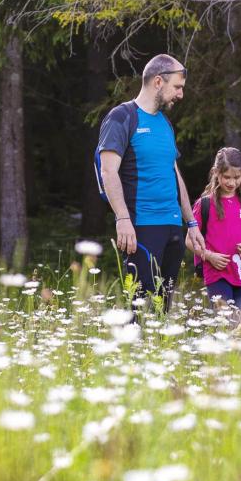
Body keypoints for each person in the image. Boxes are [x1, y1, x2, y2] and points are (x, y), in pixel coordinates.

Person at [94, 54, 206, 307]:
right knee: (139, 305)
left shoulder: (165, 123)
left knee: (163, 306)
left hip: (173, 226)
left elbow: (175, 174)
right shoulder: (121, 117)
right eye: (177, 87)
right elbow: (108, 172)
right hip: (142, 226)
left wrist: (191, 222)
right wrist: (122, 218)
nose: (180, 94)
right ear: (158, 81)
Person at [191, 147, 241, 310]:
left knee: (238, 324)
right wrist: (209, 256)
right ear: (216, 173)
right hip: (217, 272)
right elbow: (190, 241)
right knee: (225, 322)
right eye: (227, 177)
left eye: (236, 177)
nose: (232, 182)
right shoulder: (204, 204)